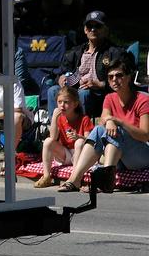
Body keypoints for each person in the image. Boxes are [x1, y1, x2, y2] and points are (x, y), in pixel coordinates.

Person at [58, 56, 149, 193]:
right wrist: (110, 120)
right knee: (101, 129)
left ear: (129, 77)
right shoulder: (109, 98)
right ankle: (75, 179)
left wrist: (119, 122)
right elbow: (103, 120)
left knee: (117, 130)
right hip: (118, 158)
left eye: (119, 75)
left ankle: (104, 181)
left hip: (140, 156)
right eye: (110, 77)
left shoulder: (142, 99)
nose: (114, 80)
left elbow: (145, 135)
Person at [46, 11, 129, 118]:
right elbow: (60, 73)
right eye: (90, 26)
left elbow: (124, 80)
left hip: (99, 95)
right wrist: (60, 78)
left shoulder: (115, 53)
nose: (93, 29)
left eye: (98, 26)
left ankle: (83, 129)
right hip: (74, 90)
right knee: (53, 90)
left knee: (84, 93)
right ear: (85, 30)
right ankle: (55, 128)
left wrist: (100, 84)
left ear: (105, 30)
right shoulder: (75, 52)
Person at [33, 85, 94, 188]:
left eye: (66, 102)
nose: (62, 105)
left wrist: (78, 136)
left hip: (80, 154)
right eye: (59, 102)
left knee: (79, 142)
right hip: (65, 154)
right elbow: (53, 137)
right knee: (48, 141)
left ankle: (74, 177)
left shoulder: (84, 119)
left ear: (75, 104)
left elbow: (89, 140)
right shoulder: (60, 118)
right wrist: (54, 118)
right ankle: (47, 176)